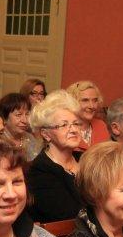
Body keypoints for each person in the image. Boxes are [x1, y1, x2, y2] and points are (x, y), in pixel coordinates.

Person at [26, 90, 84, 223]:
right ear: (46, 134)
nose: (74, 130)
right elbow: (69, 215)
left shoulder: (86, 159)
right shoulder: (39, 170)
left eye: (76, 123)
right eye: (64, 125)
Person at [66, 80, 110, 152]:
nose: (92, 106)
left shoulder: (101, 126)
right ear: (72, 102)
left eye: (95, 100)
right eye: (85, 100)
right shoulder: (64, 128)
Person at [0, 93, 40, 161]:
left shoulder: (30, 138)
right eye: (18, 115)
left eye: (27, 114)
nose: (25, 120)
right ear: (4, 118)